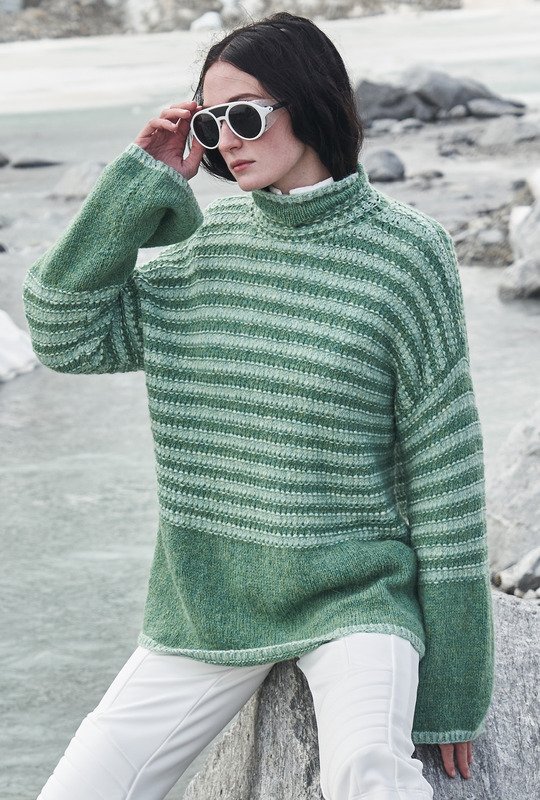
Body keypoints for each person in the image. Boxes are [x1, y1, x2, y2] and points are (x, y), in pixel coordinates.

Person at [23, 11, 495, 800]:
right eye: (211, 124)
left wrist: (454, 684)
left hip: (354, 598)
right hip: (209, 605)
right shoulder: (207, 251)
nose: (227, 141)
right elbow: (60, 330)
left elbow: (445, 476)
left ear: (308, 102)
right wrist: (137, 183)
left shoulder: (407, 254)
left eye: (243, 116)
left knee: (370, 774)